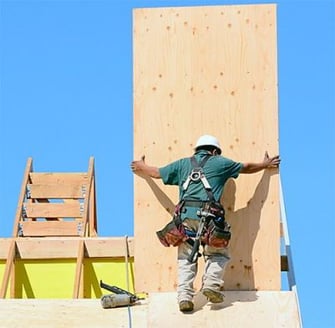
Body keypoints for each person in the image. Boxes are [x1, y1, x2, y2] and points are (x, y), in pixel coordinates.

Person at [131, 134, 280, 312]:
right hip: (210, 220)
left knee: (186, 258)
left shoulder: (182, 164)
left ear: (197, 150)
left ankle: (184, 297)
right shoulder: (220, 163)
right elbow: (246, 167)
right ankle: (211, 284)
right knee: (217, 254)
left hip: (185, 221)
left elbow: (156, 173)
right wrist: (265, 164)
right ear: (215, 150)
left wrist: (141, 166)